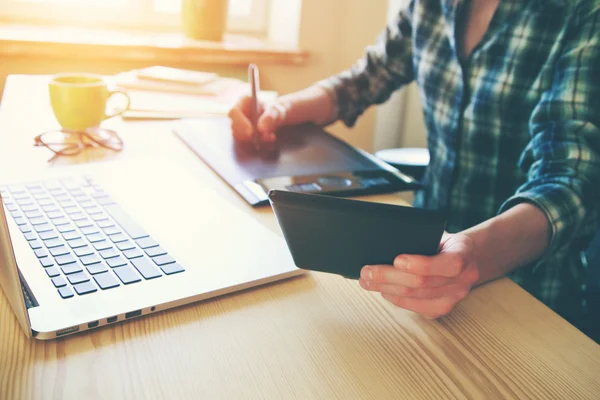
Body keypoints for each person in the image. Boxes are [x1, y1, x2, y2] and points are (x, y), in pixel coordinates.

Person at [228, 0, 600, 330]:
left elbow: (570, 183)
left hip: (531, 301)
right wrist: (278, 112)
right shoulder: (429, 6)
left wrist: (471, 252)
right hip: (419, 271)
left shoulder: (583, 14)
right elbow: (360, 81)